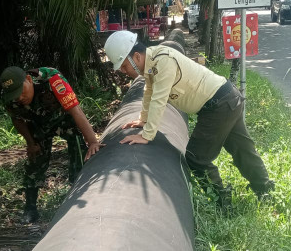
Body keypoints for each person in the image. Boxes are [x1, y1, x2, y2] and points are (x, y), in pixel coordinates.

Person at [103, 31, 273, 209]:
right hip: (227, 98)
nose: (123, 72)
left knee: (196, 158)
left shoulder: (163, 61)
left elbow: (159, 99)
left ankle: (224, 204)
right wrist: (143, 119)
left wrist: (146, 135)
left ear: (137, 57)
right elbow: (149, 90)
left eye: (124, 66)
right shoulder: (152, 62)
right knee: (243, 150)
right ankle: (266, 192)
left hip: (218, 105)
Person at [0, 66, 103, 222]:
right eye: (15, 95)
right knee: (35, 161)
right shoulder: (10, 96)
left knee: (79, 148)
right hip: (39, 124)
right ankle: (30, 209)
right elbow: (17, 119)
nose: (19, 97)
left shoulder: (53, 80)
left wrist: (93, 141)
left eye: (21, 91)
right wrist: (30, 143)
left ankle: (78, 192)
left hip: (64, 119)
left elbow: (75, 110)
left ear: (28, 79)